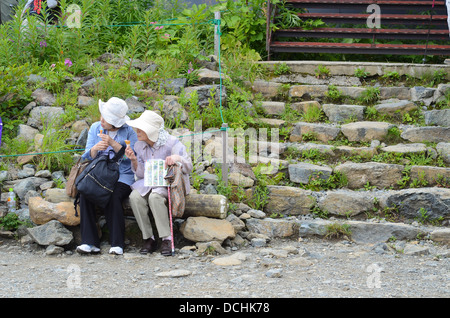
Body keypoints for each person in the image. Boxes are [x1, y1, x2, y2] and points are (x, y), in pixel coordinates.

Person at [125, 110, 192, 256]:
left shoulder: (172, 143)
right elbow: (141, 174)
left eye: (141, 128)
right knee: (134, 197)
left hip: (168, 184)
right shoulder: (139, 146)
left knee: (155, 197)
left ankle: (166, 238)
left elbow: (188, 166)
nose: (137, 131)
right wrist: (134, 160)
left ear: (151, 131)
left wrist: (176, 158)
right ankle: (148, 238)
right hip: (148, 182)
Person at [76, 97, 137, 256]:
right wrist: (96, 148)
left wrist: (114, 144)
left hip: (122, 174)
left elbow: (131, 158)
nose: (101, 119)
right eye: (102, 115)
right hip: (99, 173)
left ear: (116, 122)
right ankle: (89, 242)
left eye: (106, 118)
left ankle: (117, 243)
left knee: (114, 195)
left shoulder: (128, 131)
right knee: (85, 192)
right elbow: (86, 157)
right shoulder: (96, 128)